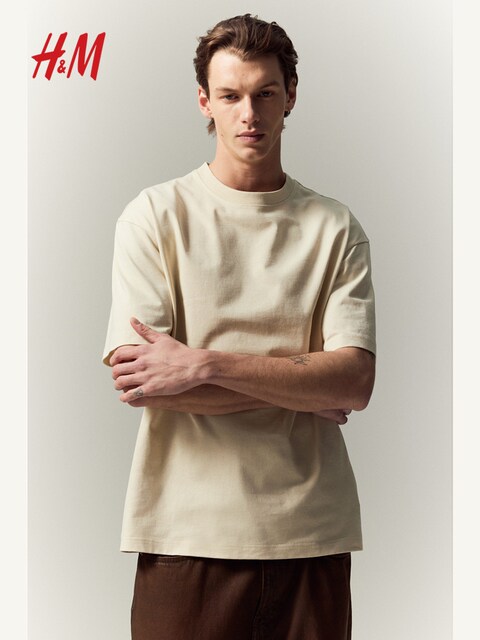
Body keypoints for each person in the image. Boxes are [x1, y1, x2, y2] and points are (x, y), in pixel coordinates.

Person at [103, 13, 376, 640]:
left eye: (265, 93)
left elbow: (354, 382)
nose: (249, 113)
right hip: (186, 533)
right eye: (230, 96)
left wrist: (203, 365)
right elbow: (141, 381)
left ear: (291, 96)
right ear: (205, 101)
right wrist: (301, 384)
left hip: (311, 534)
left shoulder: (335, 227)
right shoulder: (155, 217)